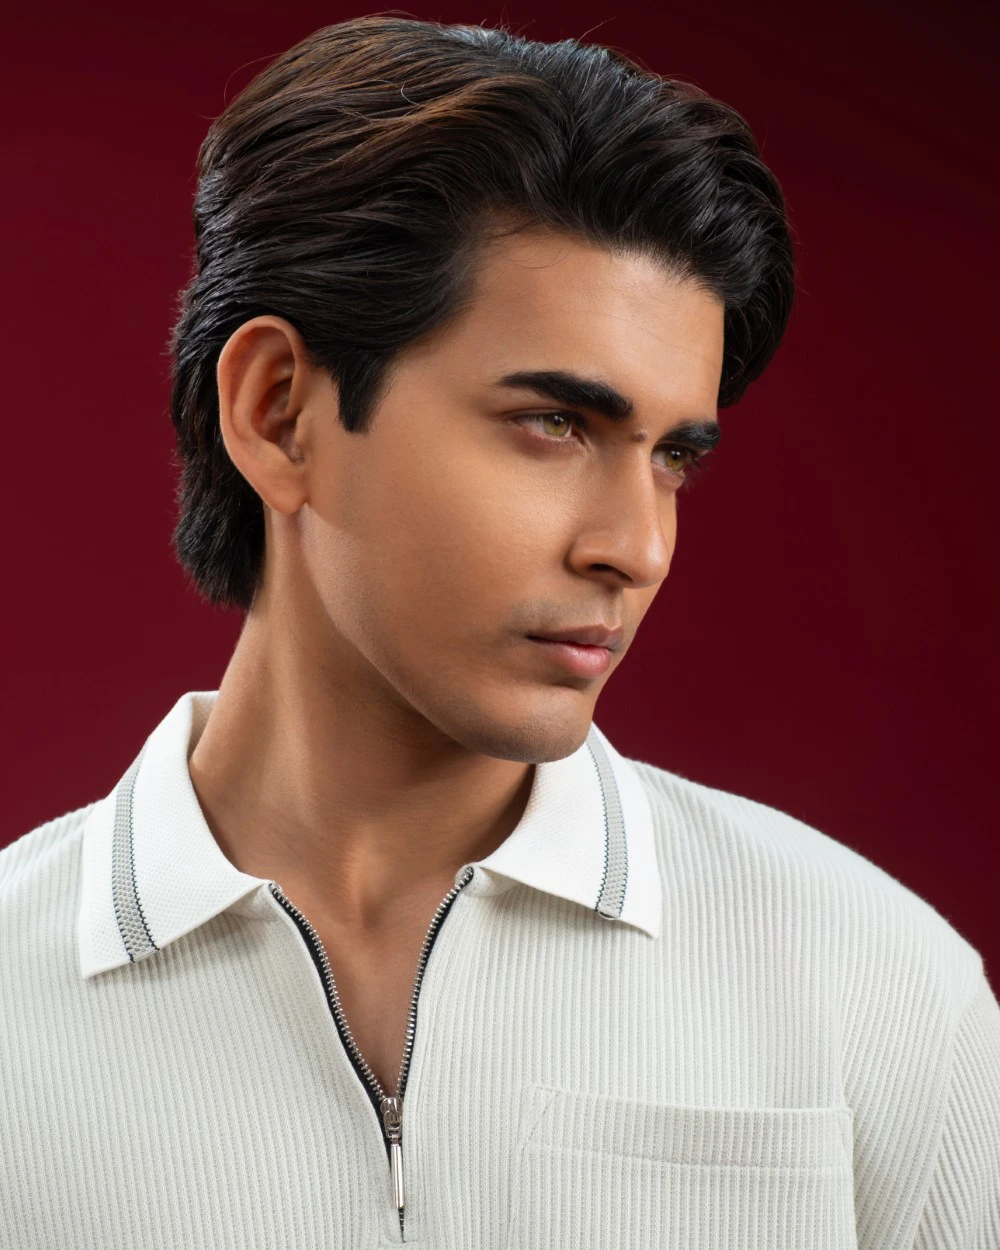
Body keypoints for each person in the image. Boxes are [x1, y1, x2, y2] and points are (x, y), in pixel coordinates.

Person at [3, 14, 997, 1249]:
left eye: (673, 456)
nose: (636, 545)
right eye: (554, 424)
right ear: (279, 412)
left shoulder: (875, 986)